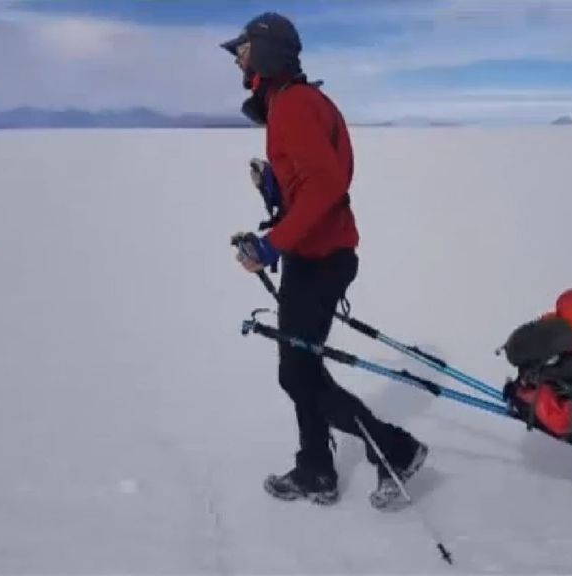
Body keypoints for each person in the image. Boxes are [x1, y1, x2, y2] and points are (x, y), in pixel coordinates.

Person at [222, 12, 428, 510]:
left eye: (244, 50)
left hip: (319, 258)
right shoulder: (295, 104)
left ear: (268, 53)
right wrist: (274, 187)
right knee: (302, 368)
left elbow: (326, 186)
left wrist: (271, 246)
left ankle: (395, 449)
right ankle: (315, 468)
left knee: (297, 374)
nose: (238, 60)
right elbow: (313, 185)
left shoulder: (294, 105)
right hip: (314, 254)